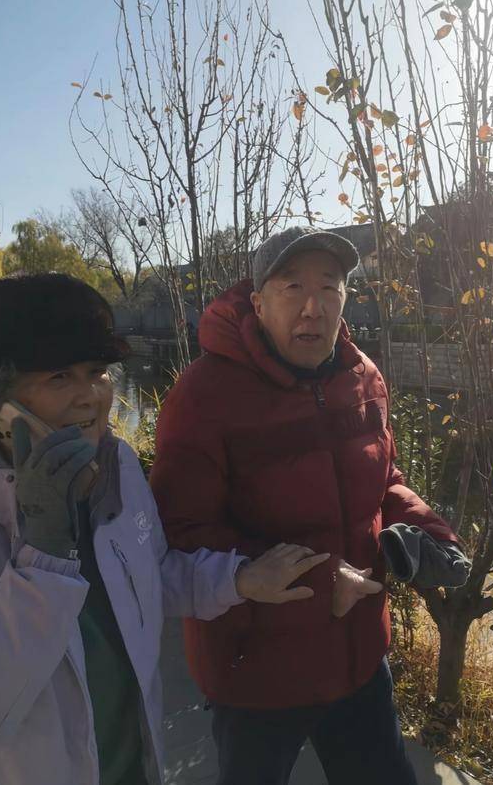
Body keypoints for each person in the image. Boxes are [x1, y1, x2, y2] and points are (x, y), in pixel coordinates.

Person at [0, 273, 329, 785]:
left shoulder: (115, 466)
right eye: (59, 377)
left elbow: (148, 577)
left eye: (97, 372)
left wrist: (239, 579)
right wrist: (42, 554)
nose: (90, 396)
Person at [150, 227, 470, 785]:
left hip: (358, 656)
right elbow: (183, 532)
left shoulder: (362, 377)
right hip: (257, 672)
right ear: (257, 303)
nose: (312, 307)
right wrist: (324, 581)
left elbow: (385, 480)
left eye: (329, 286)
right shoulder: (204, 396)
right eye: (292, 286)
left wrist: (428, 532)